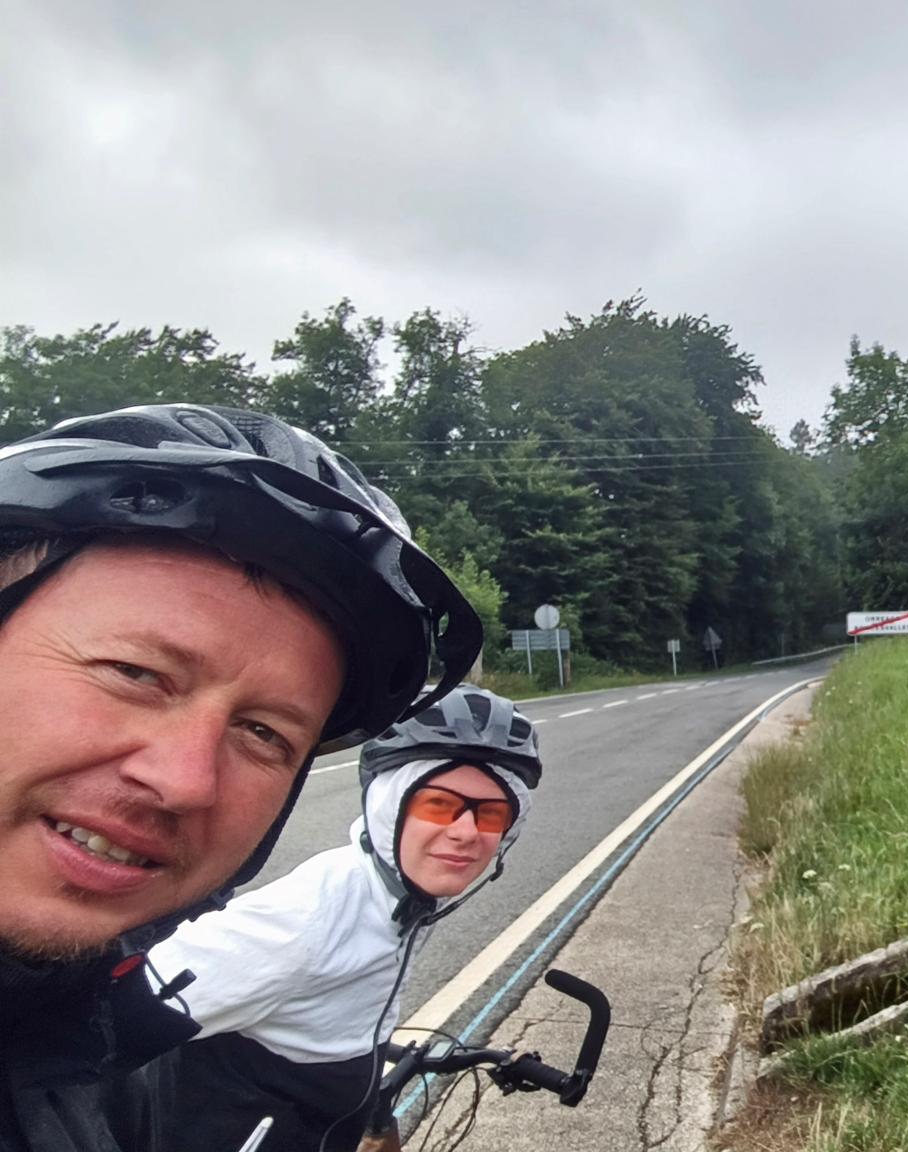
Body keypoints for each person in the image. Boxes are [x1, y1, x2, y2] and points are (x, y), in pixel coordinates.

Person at [0, 404, 482, 1152]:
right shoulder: (311, 918)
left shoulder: (64, 1061)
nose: (187, 781)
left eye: (264, 734)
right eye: (136, 673)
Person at [135, 686, 541, 1150]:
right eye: (439, 805)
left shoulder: (404, 899)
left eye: (491, 815)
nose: (467, 833)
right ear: (391, 807)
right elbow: (101, 1033)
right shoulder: (305, 920)